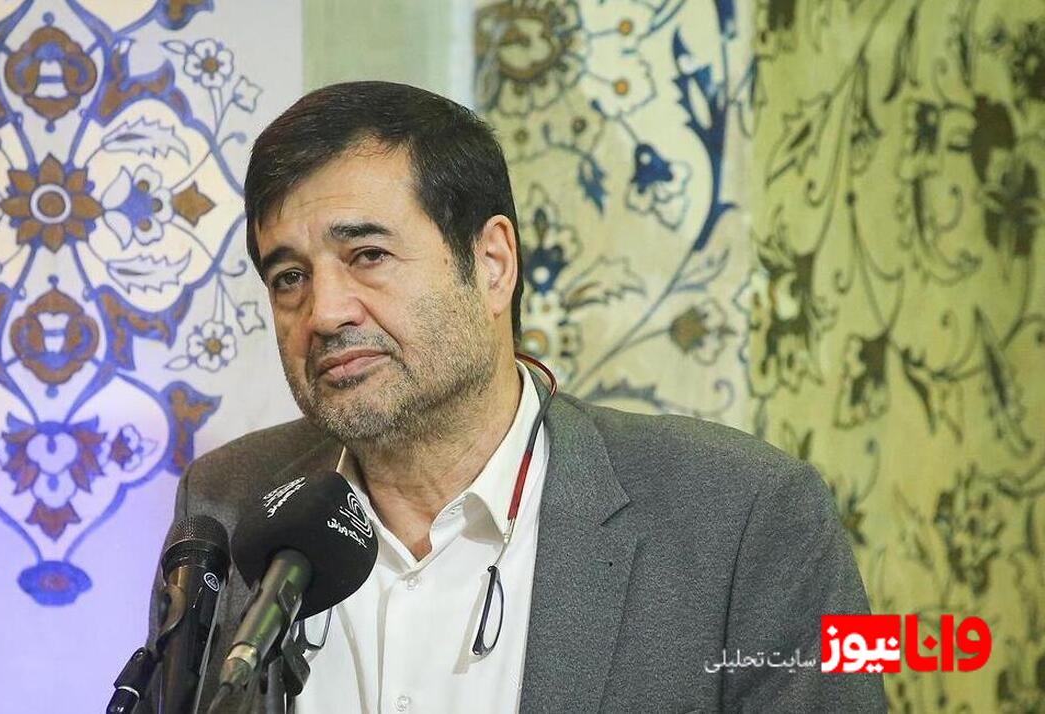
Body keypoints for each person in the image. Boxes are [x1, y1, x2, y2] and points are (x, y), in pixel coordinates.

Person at [152, 80, 885, 713]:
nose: (325, 312)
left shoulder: (749, 514)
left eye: (368, 255)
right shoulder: (225, 501)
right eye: (289, 277)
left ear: (492, 263)